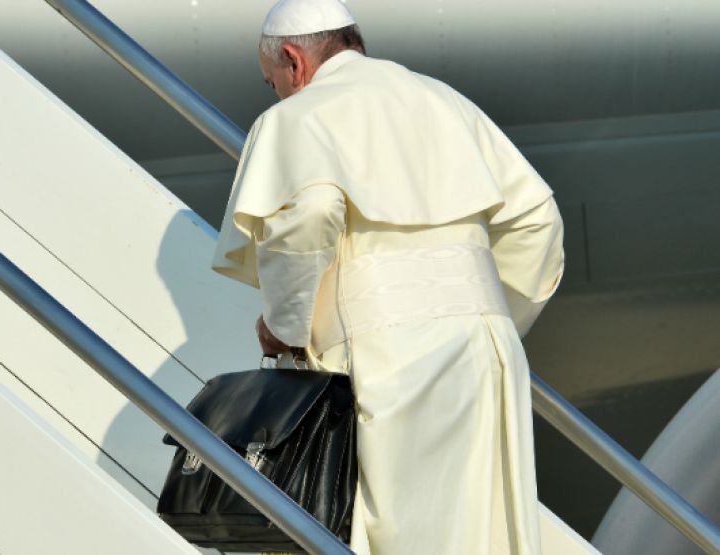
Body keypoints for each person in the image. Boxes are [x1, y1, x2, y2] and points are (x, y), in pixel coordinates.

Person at [211, 0, 565, 553]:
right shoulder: (444, 100)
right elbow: (537, 219)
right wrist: (491, 318)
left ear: (293, 60)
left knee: (401, 536)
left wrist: (287, 325)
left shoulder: (299, 116)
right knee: (482, 533)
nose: (276, 93)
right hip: (484, 356)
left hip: (388, 363)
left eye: (272, 81)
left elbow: (309, 215)